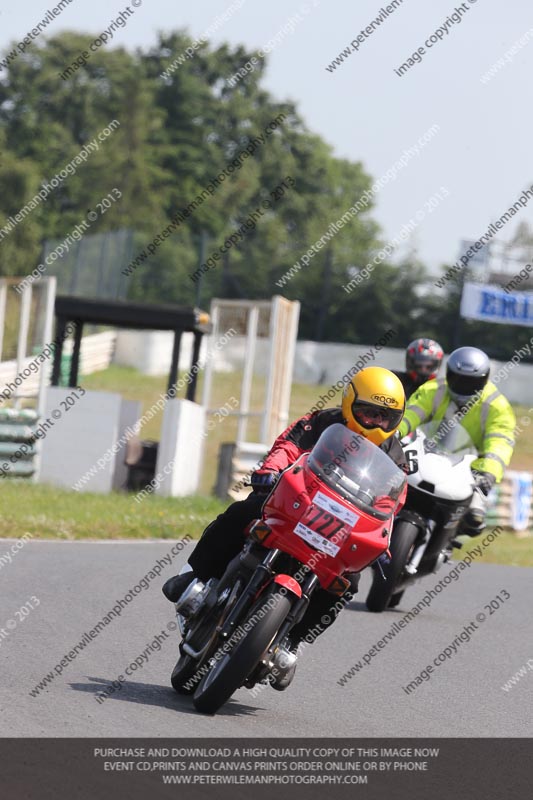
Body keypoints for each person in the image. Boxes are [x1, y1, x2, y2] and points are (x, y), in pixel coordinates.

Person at [163, 366, 408, 650]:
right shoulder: (322, 421)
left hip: (341, 528)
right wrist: (270, 469)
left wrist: (380, 539)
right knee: (243, 512)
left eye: (385, 417)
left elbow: (392, 501)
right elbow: (288, 447)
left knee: (347, 583)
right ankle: (195, 574)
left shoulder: (395, 455)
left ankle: (293, 642)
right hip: (296, 500)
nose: (376, 423)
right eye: (369, 412)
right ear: (349, 403)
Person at [397, 346, 515, 536]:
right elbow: (411, 414)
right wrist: (395, 432)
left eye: (471, 382)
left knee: (475, 517)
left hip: (468, 467)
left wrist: (489, 473)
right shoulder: (433, 389)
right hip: (425, 453)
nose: (463, 386)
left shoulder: (497, 406)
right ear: (448, 373)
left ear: (484, 380)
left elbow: (499, 443)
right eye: (458, 379)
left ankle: (452, 536)